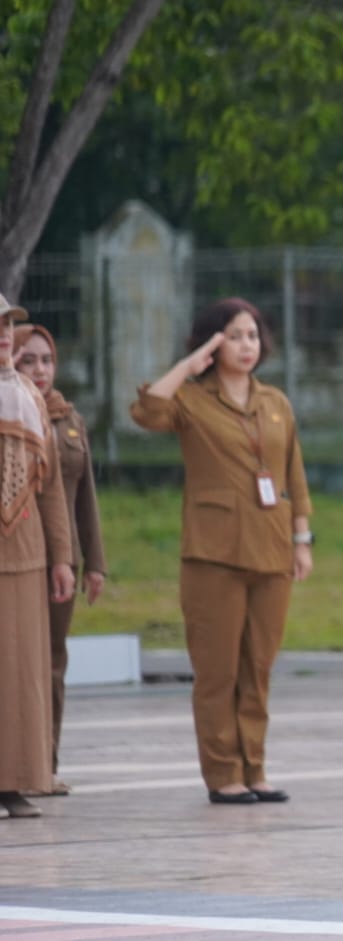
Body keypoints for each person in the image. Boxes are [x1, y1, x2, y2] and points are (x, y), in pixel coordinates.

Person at [129, 297, 313, 805]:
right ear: (212, 341)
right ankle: (223, 773)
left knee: (258, 667)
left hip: (273, 548)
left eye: (252, 335)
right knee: (218, 671)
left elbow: (294, 473)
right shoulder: (191, 399)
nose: (246, 345)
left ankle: (256, 768)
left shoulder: (276, 402)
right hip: (213, 554)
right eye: (233, 335)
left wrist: (302, 538)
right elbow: (147, 411)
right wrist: (190, 366)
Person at [15, 323, 108, 796]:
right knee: (19, 662)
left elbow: (84, 496)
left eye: (46, 359)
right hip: (18, 557)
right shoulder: (14, 412)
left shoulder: (68, 418)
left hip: (61, 559)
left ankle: (46, 764)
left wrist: (93, 562)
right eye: (27, 360)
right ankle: (19, 762)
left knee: (52, 661)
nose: (40, 370)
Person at [0, 295, 75, 821]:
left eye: (8, 325)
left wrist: (62, 558)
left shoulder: (26, 393)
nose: (6, 333)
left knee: (24, 669)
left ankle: (18, 779)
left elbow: (50, 491)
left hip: (25, 551)